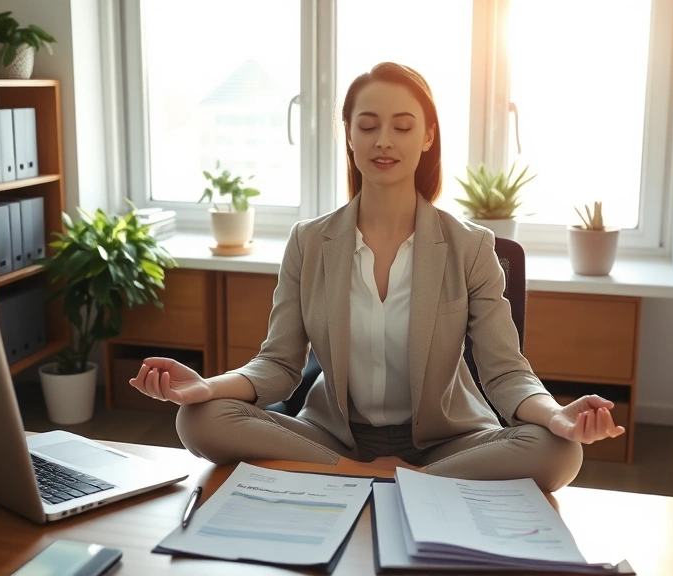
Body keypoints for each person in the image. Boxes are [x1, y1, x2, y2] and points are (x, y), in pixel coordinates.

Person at [129, 62, 625, 491]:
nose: (383, 140)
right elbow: (278, 366)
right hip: (335, 437)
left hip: (446, 442)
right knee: (198, 419)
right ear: (348, 134)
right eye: (367, 126)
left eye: (403, 126)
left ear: (428, 135)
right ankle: (361, 474)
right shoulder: (308, 241)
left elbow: (505, 373)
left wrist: (556, 415)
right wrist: (208, 388)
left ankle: (390, 481)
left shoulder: (471, 246)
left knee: (559, 452)